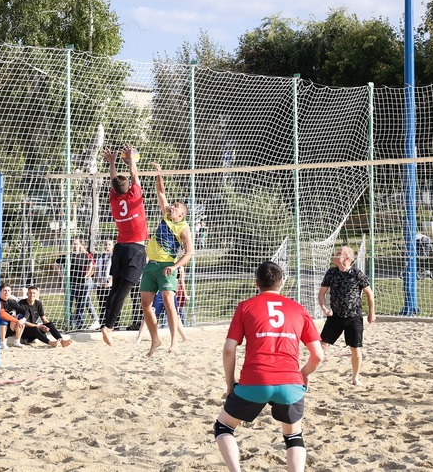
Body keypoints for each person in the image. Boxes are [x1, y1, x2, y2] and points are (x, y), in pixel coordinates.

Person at [214, 261, 324, 472]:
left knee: (223, 427)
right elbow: (318, 355)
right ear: (282, 282)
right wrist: (303, 373)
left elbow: (228, 349)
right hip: (290, 382)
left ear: (256, 283)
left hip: (255, 380)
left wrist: (230, 384)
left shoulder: (245, 306)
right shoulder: (298, 309)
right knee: (294, 436)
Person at [140, 162, 193, 356]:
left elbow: (189, 253)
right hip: (150, 266)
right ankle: (155, 340)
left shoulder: (183, 228)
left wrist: (175, 266)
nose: (173, 206)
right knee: (145, 304)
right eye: (173, 205)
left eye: (176, 206)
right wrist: (159, 172)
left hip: (166, 266)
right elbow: (161, 192)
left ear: (182, 214)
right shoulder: (166, 216)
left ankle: (174, 342)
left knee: (169, 301)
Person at [101, 145, 148, 346]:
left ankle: (107, 325)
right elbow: (134, 175)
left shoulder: (114, 199)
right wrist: (131, 160)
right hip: (135, 250)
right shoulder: (134, 196)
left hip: (119, 248)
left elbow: (116, 181)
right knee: (122, 291)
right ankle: (109, 327)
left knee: (115, 290)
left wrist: (112, 162)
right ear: (128, 187)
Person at [317, 245, 376, 386]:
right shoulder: (331, 273)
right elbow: (321, 293)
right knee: (321, 346)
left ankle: (355, 378)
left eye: (339, 252)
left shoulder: (356, 274)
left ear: (347, 258)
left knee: (355, 348)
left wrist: (371, 312)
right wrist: (324, 307)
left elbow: (369, 294)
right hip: (335, 317)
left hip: (354, 317)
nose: (335, 254)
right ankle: (307, 374)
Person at [54, 238, 94, 331]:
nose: (75, 245)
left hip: (82, 284)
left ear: (80, 245)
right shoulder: (68, 255)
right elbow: (55, 264)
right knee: (69, 305)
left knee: (80, 305)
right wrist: (62, 275)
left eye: (76, 244)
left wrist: (87, 275)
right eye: (73, 244)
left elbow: (91, 265)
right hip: (71, 285)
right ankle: (70, 324)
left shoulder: (84, 256)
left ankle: (80, 325)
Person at [0, 283, 26, 349]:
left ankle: (17, 341)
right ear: (0, 292)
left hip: (7, 330)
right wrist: (17, 321)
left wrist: (23, 319)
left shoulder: (12, 302)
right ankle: (2, 342)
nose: (7, 292)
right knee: (3, 319)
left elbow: (25, 312)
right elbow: (3, 314)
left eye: (8, 291)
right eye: (5, 290)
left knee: (21, 316)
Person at [93, 240, 113, 321]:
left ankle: (112, 322)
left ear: (112, 246)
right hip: (100, 284)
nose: (107, 246)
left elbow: (117, 271)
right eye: (106, 244)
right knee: (101, 304)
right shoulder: (100, 257)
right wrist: (100, 281)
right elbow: (96, 270)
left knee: (111, 304)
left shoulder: (114, 257)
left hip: (110, 284)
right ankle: (102, 322)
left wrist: (109, 281)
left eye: (109, 244)